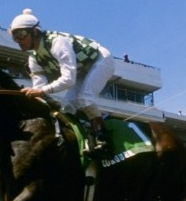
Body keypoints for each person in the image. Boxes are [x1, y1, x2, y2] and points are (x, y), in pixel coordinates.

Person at [8, 8, 116, 154]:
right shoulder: (33, 58)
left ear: (35, 32)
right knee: (67, 108)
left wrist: (41, 91)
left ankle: (103, 139)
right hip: (80, 70)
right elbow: (39, 88)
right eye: (15, 37)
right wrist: (34, 94)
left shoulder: (57, 42)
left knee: (85, 99)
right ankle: (82, 140)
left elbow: (68, 79)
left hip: (100, 60)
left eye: (21, 34)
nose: (18, 41)